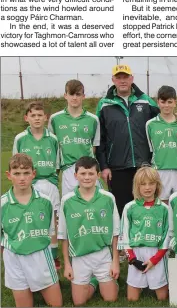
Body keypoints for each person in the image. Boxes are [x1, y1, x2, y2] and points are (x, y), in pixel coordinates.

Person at [97, 64, 161, 214]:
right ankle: (122, 237)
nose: (122, 81)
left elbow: (164, 119)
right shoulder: (104, 104)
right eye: (118, 78)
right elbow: (100, 139)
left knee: (145, 205)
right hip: (117, 166)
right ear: (113, 80)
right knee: (122, 208)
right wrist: (104, 166)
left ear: (132, 78)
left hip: (143, 164)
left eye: (125, 77)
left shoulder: (145, 101)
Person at [1, 154, 63, 308]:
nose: (22, 178)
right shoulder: (3, 203)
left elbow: (50, 231)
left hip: (40, 256)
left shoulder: (45, 201)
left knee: (56, 304)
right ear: (9, 175)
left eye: (26, 173)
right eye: (17, 173)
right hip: (14, 258)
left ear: (33, 174)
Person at [58, 156, 121, 305]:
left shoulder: (108, 198)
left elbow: (115, 233)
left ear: (98, 175)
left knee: (111, 299)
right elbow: (64, 236)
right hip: (79, 257)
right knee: (79, 302)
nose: (87, 177)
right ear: (75, 176)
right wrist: (67, 264)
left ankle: (108, 282)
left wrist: (115, 262)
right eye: (83, 174)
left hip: (103, 255)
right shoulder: (67, 200)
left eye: (91, 174)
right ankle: (94, 282)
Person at [13, 101, 61, 267]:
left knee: (53, 219)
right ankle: (34, 254)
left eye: (40, 115)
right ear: (27, 118)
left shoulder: (53, 139)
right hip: (29, 184)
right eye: (33, 115)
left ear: (46, 118)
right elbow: (15, 162)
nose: (37, 118)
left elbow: (57, 164)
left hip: (49, 183)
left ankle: (54, 256)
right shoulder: (20, 138)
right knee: (32, 219)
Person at [119, 166, 172, 302]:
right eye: (143, 184)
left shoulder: (165, 209)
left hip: (157, 254)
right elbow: (124, 235)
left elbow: (167, 237)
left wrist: (155, 259)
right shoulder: (129, 207)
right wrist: (132, 259)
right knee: (132, 299)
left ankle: (155, 281)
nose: (147, 187)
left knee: (162, 298)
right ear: (137, 186)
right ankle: (144, 282)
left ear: (157, 185)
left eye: (151, 183)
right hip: (136, 254)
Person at [48, 79, 100, 197]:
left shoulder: (93, 119)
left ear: (83, 96)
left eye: (78, 94)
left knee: (91, 204)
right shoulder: (55, 119)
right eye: (71, 94)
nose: (74, 98)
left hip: (88, 169)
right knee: (70, 206)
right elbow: (53, 147)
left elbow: (94, 147)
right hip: (67, 170)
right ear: (65, 96)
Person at [145, 85, 177, 203]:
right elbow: (151, 150)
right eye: (163, 102)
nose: (166, 105)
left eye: (170, 102)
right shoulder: (150, 124)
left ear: (175, 102)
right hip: (159, 171)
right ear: (158, 102)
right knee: (162, 204)